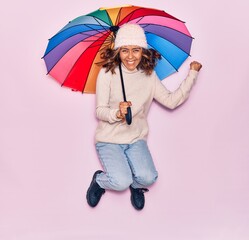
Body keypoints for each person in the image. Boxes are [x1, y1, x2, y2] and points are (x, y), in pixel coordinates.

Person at [86, 23, 202, 210]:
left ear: (143, 51)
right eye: (125, 50)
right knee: (120, 182)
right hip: (109, 140)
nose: (130, 56)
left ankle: (137, 186)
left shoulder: (149, 75)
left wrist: (192, 75)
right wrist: (117, 112)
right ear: (118, 51)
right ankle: (99, 180)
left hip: (135, 139)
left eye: (136, 50)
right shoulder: (107, 73)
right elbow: (99, 111)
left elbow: (171, 101)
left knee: (149, 178)